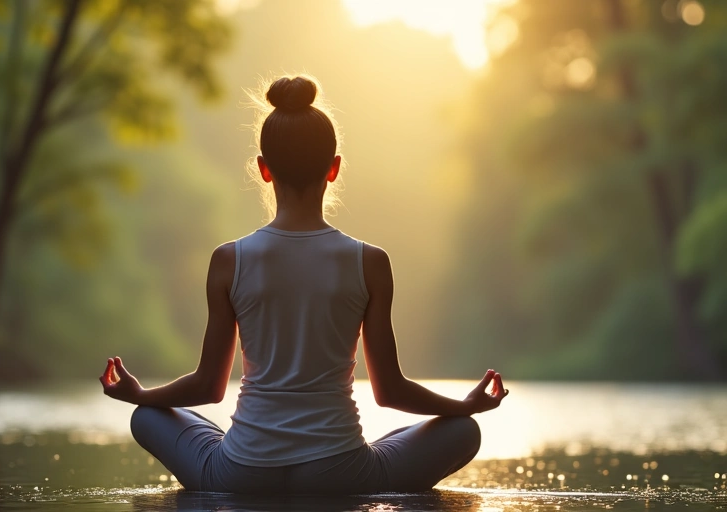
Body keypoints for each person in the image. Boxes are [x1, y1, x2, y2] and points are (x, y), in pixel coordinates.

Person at [99, 74, 509, 494]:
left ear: (263, 169)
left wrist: (140, 394)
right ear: (334, 168)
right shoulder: (370, 262)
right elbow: (390, 391)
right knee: (463, 430)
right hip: (343, 475)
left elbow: (208, 386)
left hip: (241, 474)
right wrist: (465, 405)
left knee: (147, 416)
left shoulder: (228, 260)